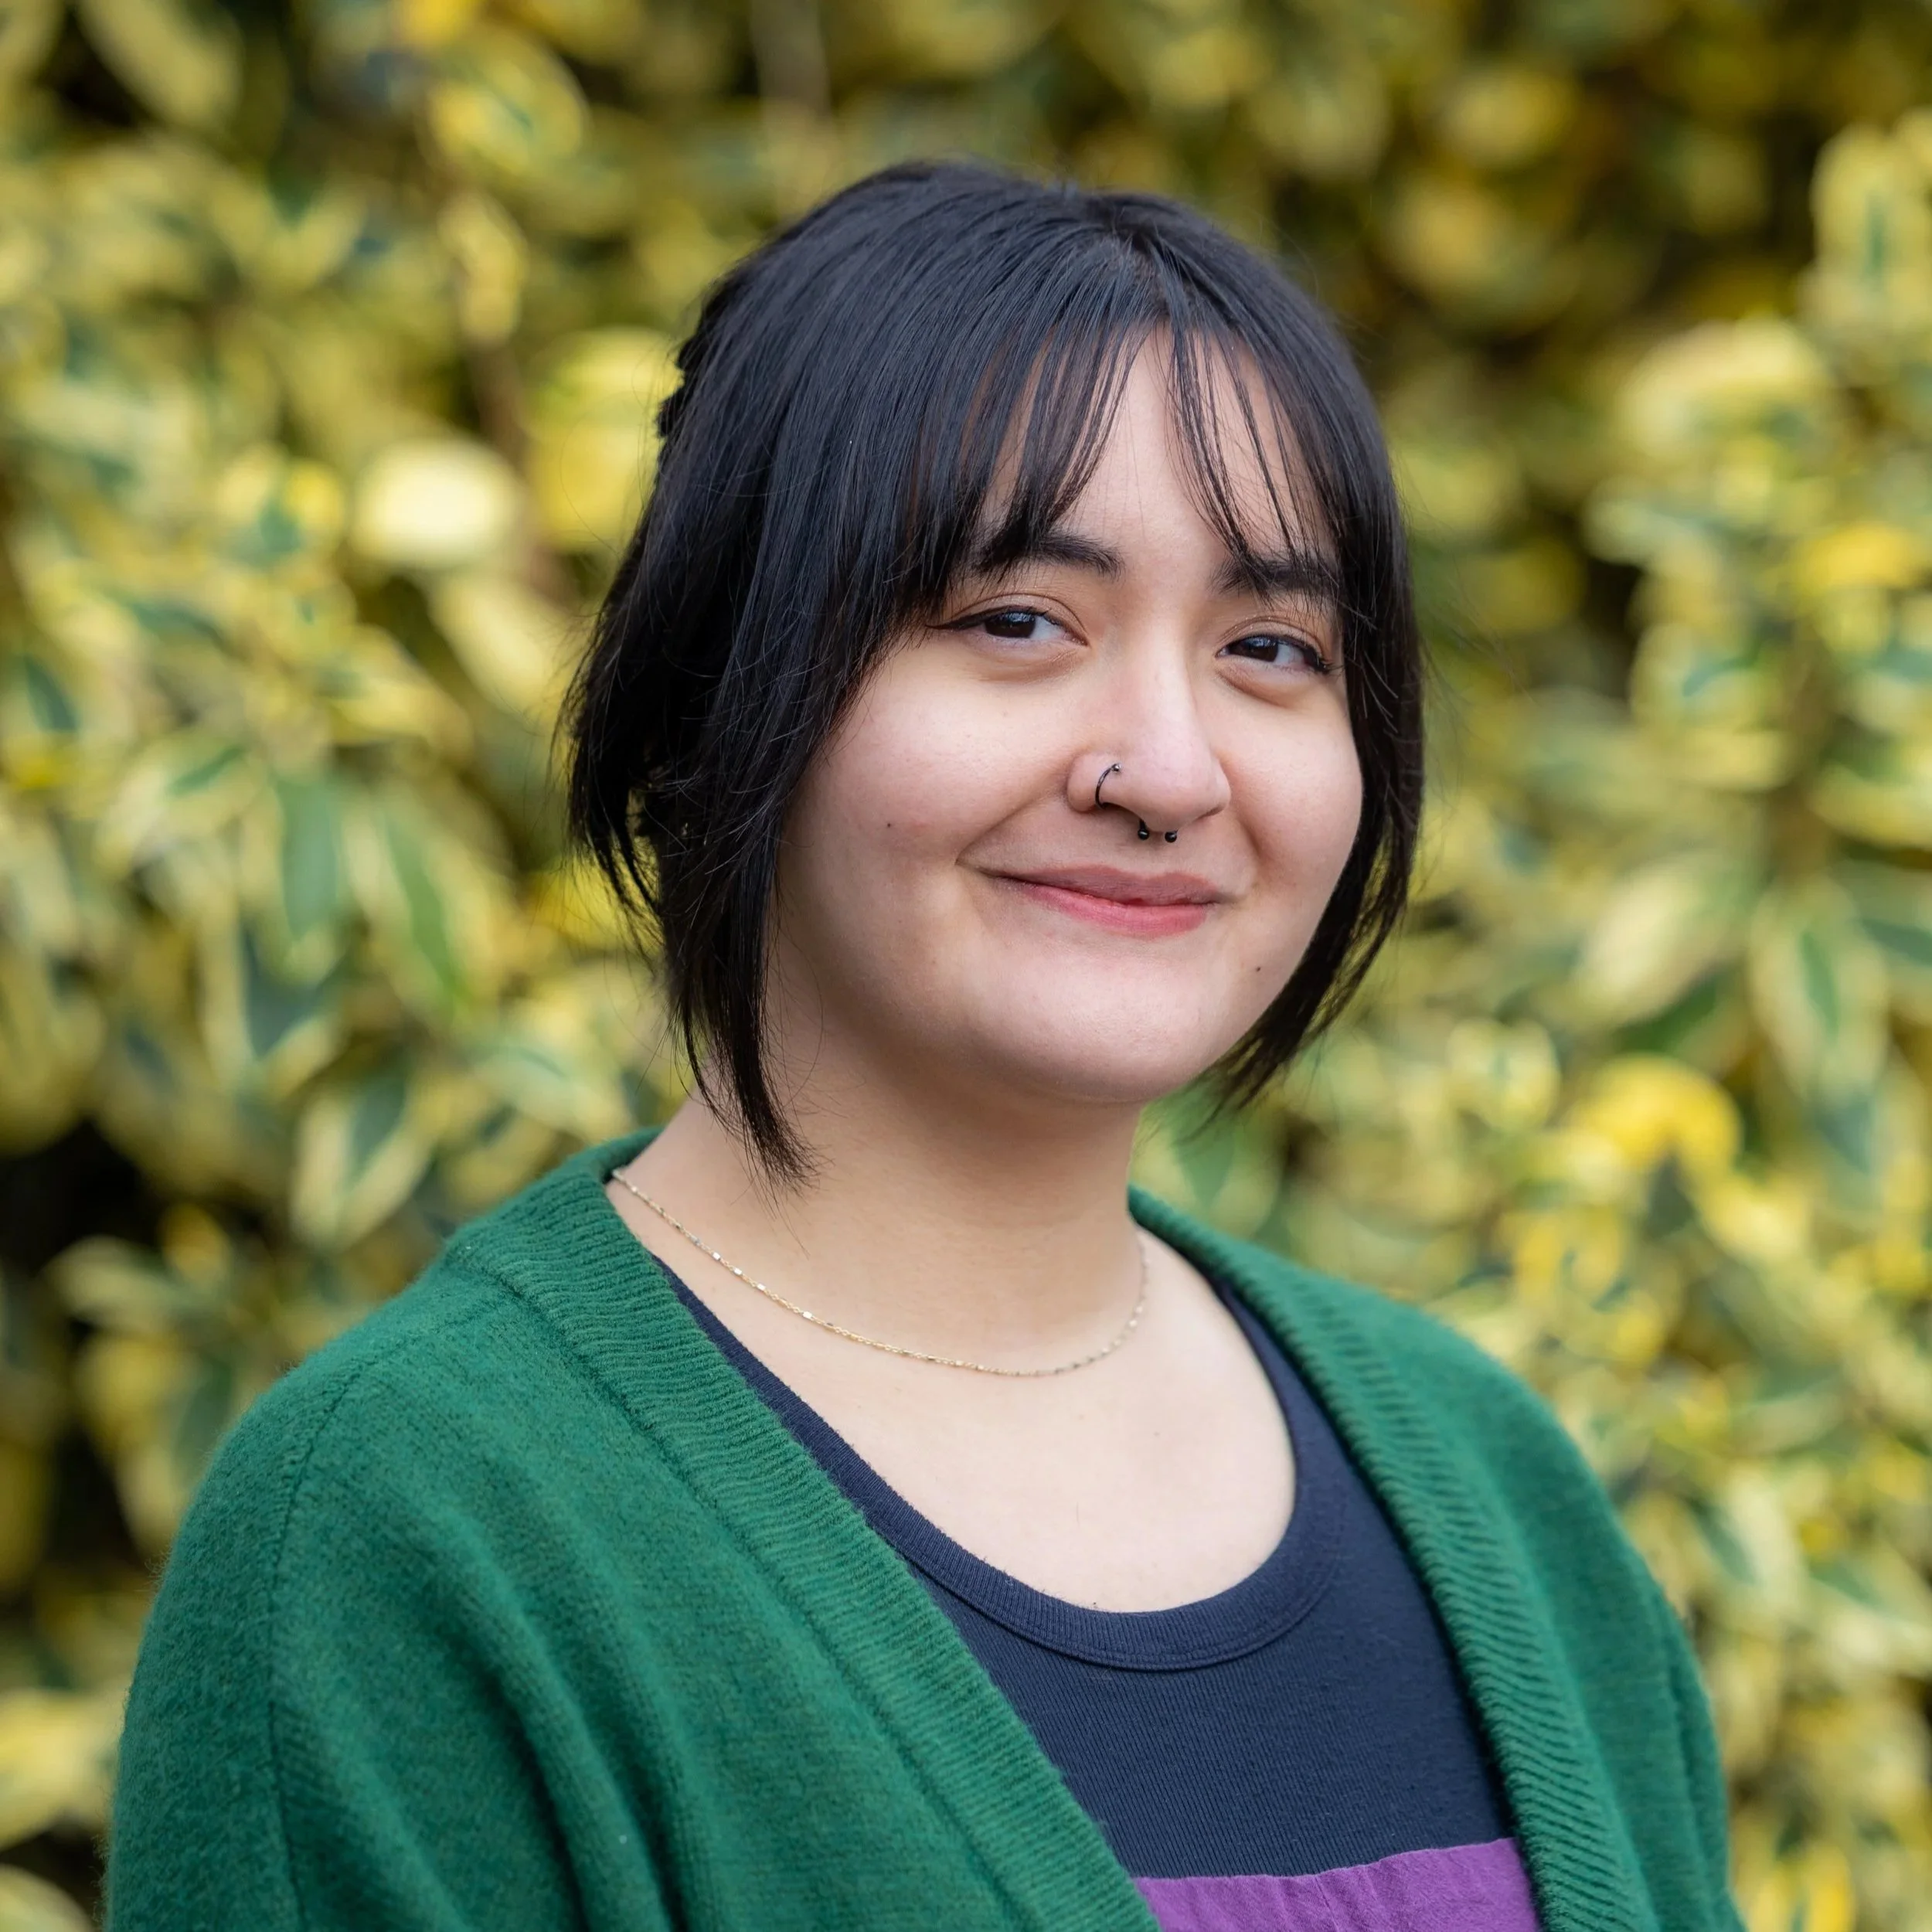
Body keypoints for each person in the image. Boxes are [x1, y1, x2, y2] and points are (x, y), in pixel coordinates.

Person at [107, 163, 1741, 1932]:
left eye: (1270, 646)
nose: (1168, 769)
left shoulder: (1495, 1490)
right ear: (727, 678)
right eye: (1017, 623)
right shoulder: (408, 1534)